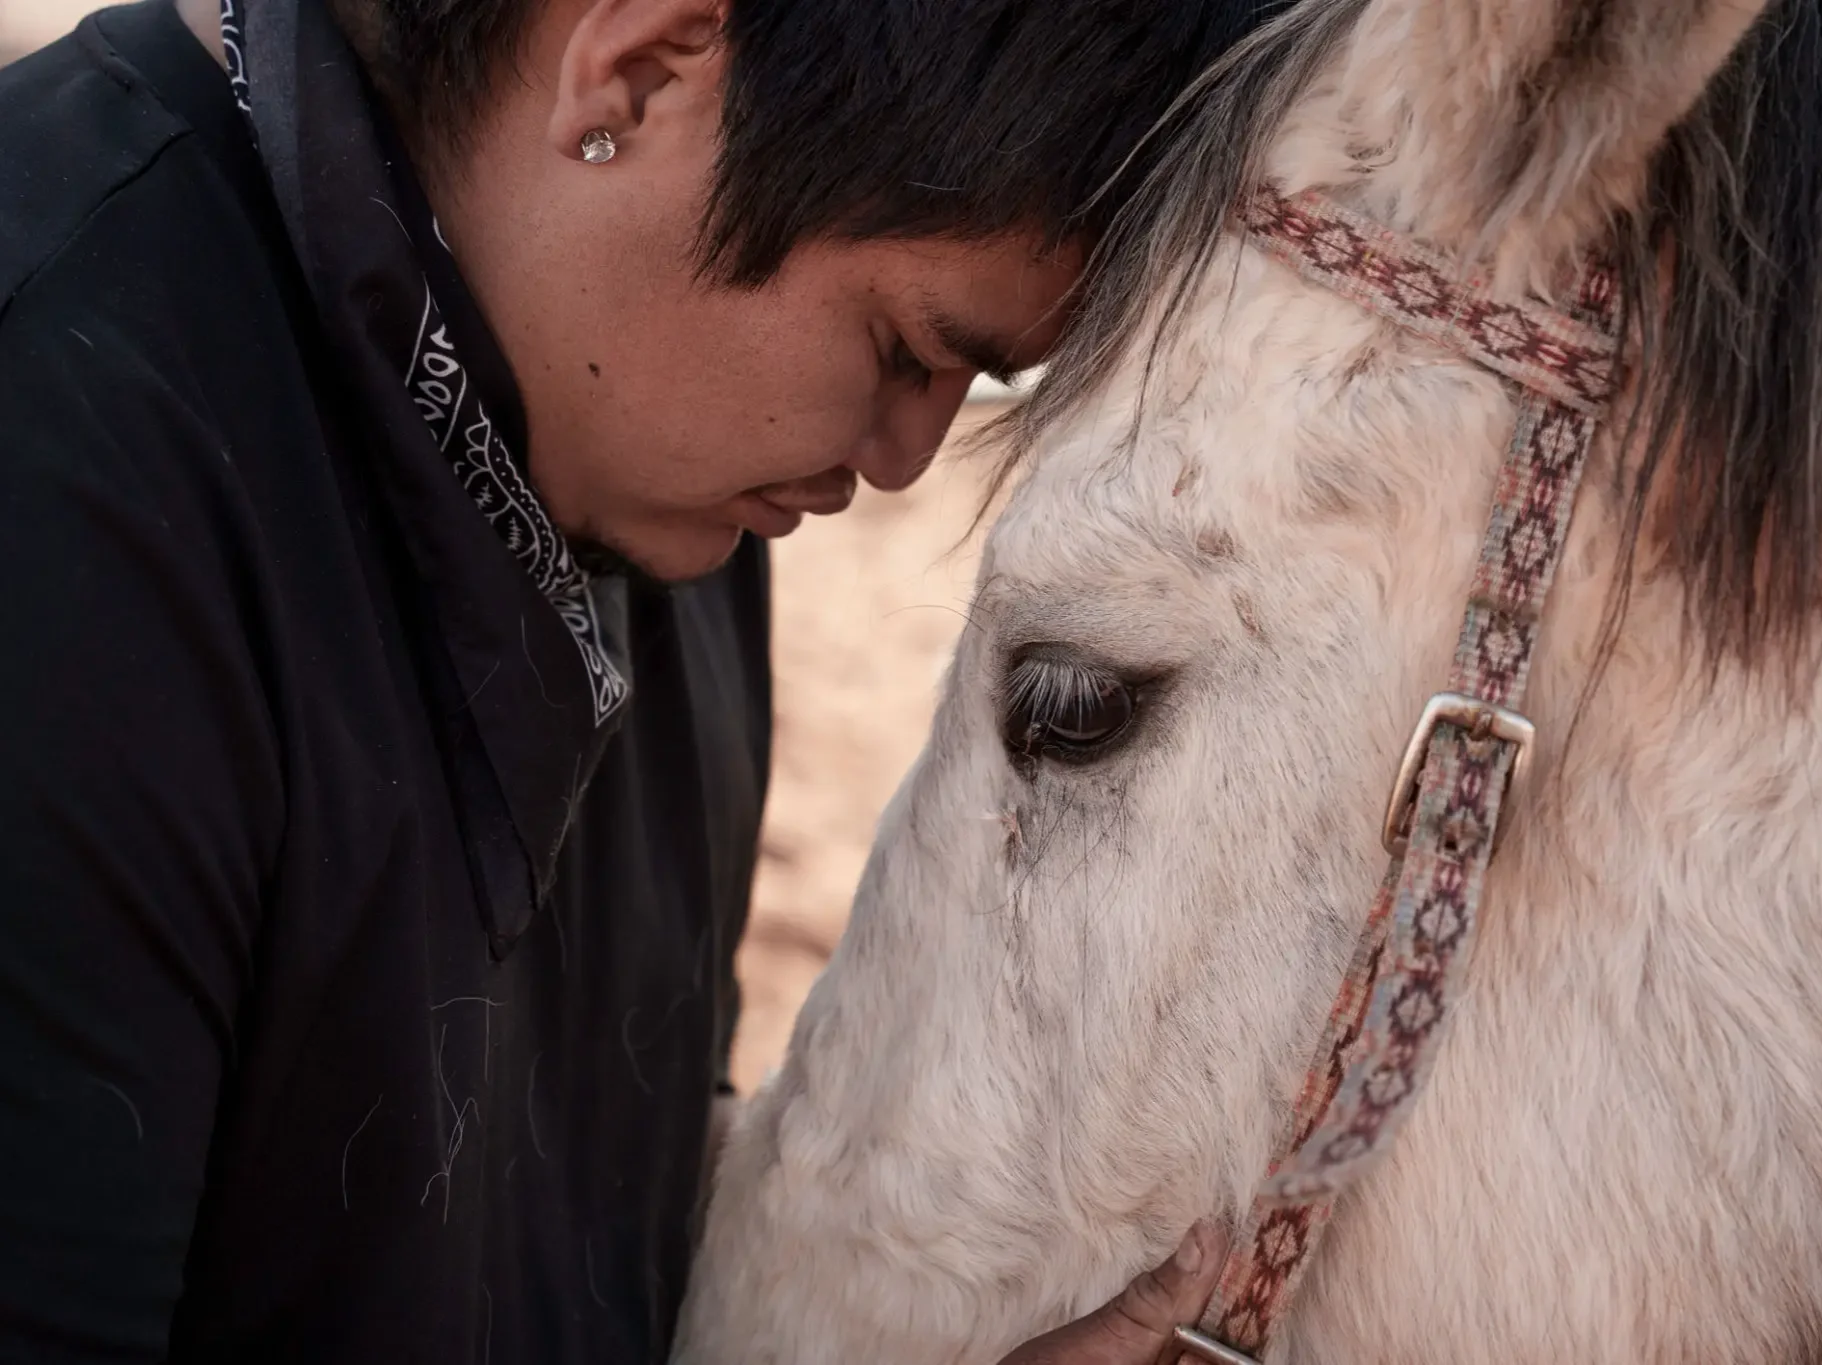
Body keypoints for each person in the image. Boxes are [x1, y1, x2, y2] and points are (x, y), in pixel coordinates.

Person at [0, 0, 1264, 1358]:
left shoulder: (658, 483)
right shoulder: (58, 458)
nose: (902, 459)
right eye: (905, 351)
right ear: (639, 73)